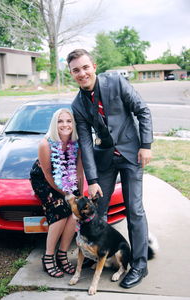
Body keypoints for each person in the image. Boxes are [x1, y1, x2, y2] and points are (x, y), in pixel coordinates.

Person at [67, 49, 153, 289]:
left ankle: (139, 263)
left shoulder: (115, 81)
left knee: (134, 209)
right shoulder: (78, 104)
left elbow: (142, 111)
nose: (82, 73)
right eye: (76, 70)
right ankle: (97, 254)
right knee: (98, 210)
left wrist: (145, 145)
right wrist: (92, 179)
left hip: (131, 153)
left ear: (93, 66)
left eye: (85, 67)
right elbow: (85, 141)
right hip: (104, 159)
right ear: (71, 74)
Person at [30, 108, 83, 278]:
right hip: (45, 180)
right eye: (60, 121)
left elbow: (79, 172)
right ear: (55, 124)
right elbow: (47, 174)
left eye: (69, 121)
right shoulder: (45, 144)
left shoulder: (77, 143)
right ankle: (48, 256)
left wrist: (78, 196)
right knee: (60, 209)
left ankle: (62, 254)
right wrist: (67, 195)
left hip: (67, 178)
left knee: (74, 212)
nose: (65, 124)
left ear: (73, 124)